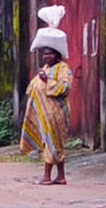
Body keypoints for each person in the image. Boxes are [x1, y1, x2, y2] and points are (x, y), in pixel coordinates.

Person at [20, 25, 75, 185]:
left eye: (50, 53)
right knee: (53, 143)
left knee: (53, 142)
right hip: (45, 113)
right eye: (44, 54)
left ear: (57, 54)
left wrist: (47, 81)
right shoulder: (46, 68)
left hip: (56, 113)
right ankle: (61, 176)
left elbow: (65, 88)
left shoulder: (63, 69)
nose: (46, 56)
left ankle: (46, 176)